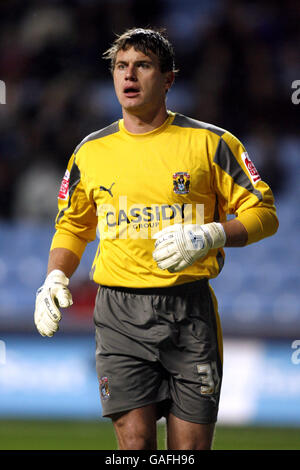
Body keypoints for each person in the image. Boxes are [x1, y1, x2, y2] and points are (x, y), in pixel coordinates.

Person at [34, 27, 279, 450]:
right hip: (118, 313)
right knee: (135, 445)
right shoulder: (90, 152)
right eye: (120, 67)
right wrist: (55, 276)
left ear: (167, 79)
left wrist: (211, 234)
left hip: (189, 311)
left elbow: (265, 214)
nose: (129, 76)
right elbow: (73, 226)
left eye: (142, 66)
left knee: (190, 451)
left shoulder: (211, 143)